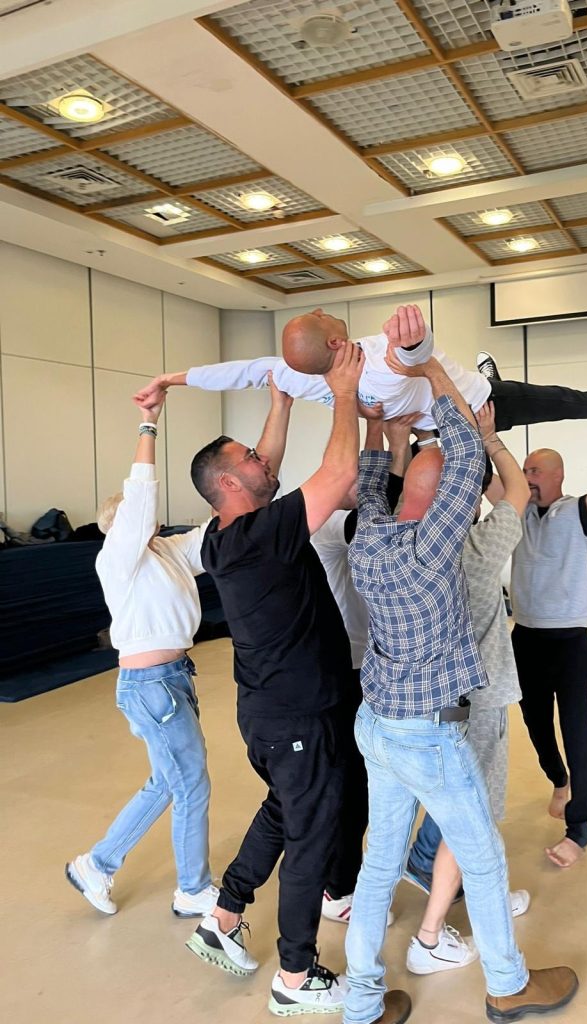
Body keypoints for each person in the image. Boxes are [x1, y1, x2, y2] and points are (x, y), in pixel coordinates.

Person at [345, 341, 578, 1024]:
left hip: (376, 727)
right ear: (448, 498)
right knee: (483, 861)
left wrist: (376, 422)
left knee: (378, 866)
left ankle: (362, 1003)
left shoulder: (371, 540)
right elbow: (475, 465)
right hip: (429, 735)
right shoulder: (443, 551)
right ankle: (507, 985)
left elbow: (369, 483)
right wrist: (427, 370)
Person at [184, 351, 365, 1018]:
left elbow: (258, 469)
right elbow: (339, 471)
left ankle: (224, 915)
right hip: (297, 716)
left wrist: (282, 405)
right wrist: (342, 392)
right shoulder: (266, 533)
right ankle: (296, 975)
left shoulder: (221, 534)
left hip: (265, 715)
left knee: (285, 813)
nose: (266, 464)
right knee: (311, 835)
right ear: (233, 483)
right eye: (254, 462)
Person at [66, 391, 217, 919]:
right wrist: (148, 426)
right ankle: (194, 888)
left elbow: (209, 536)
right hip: (152, 687)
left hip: (172, 680)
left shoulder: (165, 552)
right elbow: (142, 496)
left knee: (167, 781)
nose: (147, 520)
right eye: (137, 516)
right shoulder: (118, 559)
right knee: (191, 784)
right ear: (124, 523)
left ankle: (97, 864)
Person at [403, 401, 533, 976]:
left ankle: (435, 878)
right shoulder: (480, 549)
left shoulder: (392, 546)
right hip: (477, 703)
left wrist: (387, 432)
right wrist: (488, 438)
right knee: (473, 813)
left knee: (421, 806)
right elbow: (521, 490)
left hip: (412, 703)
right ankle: (431, 934)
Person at [133, 306, 587, 433]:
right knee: (564, 402)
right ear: (333, 336)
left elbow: (241, 371)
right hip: (478, 407)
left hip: (426, 423)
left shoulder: (298, 372)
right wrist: (416, 342)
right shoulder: (382, 366)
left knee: (468, 372)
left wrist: (170, 380)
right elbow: (411, 360)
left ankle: (485, 369)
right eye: (323, 315)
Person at [510, 390, 587, 869]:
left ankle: (580, 827)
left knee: (576, 728)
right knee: (536, 723)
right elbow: (492, 479)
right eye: (525, 472)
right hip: (526, 636)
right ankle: (558, 780)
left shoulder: (580, 513)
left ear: (557, 475)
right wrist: (486, 425)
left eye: (534, 472)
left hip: (570, 642)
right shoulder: (518, 509)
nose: (527, 478)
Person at [310, 407, 416, 928]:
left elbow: (383, 496)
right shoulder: (334, 526)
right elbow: (383, 499)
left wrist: (384, 432)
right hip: (344, 669)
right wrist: (392, 442)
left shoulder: (346, 520)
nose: (365, 485)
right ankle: (338, 887)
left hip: (361, 665)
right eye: (357, 477)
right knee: (349, 781)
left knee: (365, 778)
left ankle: (349, 876)